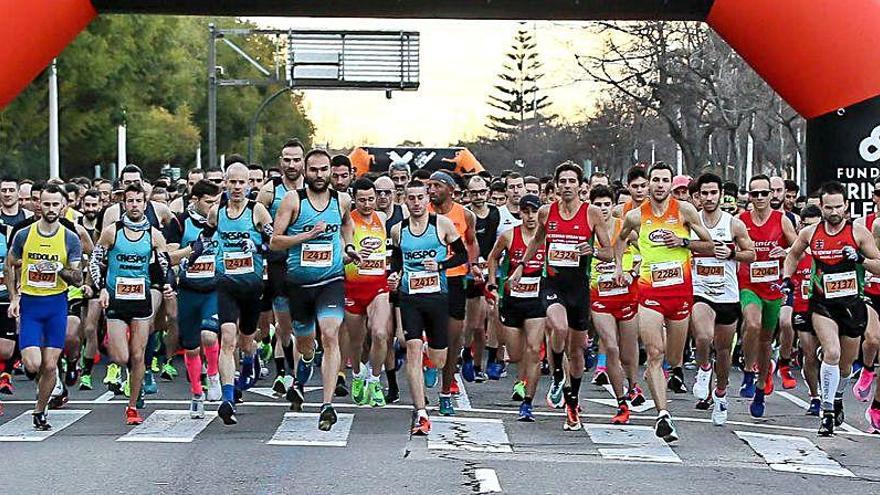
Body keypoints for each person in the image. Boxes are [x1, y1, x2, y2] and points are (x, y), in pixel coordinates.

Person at [510, 161, 613, 431]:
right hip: (552, 284)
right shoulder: (546, 212)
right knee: (558, 325)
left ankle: (572, 400)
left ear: (581, 186)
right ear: (556, 185)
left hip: (579, 288)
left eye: (572, 181)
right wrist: (522, 266)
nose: (567, 186)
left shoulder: (591, 213)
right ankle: (557, 374)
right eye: (563, 181)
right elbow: (536, 241)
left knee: (577, 351)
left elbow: (609, 252)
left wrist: (591, 251)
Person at [614, 163, 713, 442]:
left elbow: (709, 245)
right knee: (655, 353)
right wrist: (620, 267)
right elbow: (619, 240)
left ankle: (668, 375)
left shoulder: (685, 211)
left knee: (672, 358)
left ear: (671, 184)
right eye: (654, 180)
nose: (659, 185)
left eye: (664, 180)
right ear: (647, 185)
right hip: (649, 294)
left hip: (680, 295)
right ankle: (663, 415)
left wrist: (682, 241)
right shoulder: (635, 216)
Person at [270, 149, 358, 431]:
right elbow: (275, 241)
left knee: (331, 333)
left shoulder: (342, 200)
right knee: (305, 342)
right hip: (299, 285)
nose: (319, 175)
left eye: (324, 170)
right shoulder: (292, 200)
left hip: (331, 281)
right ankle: (306, 359)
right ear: (305, 171)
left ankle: (327, 405)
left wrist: (349, 247)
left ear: (331, 171)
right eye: (314, 170)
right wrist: (307, 236)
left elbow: (347, 225)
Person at [782, 181, 880, 435]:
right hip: (822, 305)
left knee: (845, 366)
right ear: (821, 207)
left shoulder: (858, 233)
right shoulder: (810, 233)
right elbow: (793, 255)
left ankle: (837, 397)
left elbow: (878, 264)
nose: (833, 212)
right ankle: (826, 412)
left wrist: (860, 259)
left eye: (838, 207)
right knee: (831, 353)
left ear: (846, 206)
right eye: (828, 207)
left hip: (851, 305)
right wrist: (785, 279)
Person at [388, 179, 467, 435]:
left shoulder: (441, 225)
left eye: (420, 197)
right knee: (412, 347)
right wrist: (395, 276)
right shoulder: (398, 230)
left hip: (437, 297)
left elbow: (462, 255)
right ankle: (421, 412)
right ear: (405, 201)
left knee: (438, 357)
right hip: (410, 298)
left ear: (427, 199)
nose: (416, 203)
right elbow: (397, 264)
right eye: (410, 198)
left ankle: (430, 362)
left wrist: (441, 266)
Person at [91, 184, 174, 425]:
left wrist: (167, 284)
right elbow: (95, 262)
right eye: (130, 201)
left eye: (139, 201)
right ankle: (130, 373)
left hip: (141, 301)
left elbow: (164, 265)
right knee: (120, 355)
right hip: (116, 299)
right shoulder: (111, 232)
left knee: (138, 355)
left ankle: (132, 406)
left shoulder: (154, 235)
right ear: (124, 204)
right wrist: (102, 288)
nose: (135, 205)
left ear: (146, 204)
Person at [5, 184, 83, 430]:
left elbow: (78, 277)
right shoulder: (24, 235)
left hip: (56, 305)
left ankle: (40, 410)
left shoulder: (69, 238)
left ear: (63, 206)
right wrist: (14, 297)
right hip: (30, 304)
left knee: (49, 365)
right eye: (46, 204)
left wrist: (60, 269)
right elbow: (9, 264)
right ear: (39, 205)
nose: (50, 208)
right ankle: (45, 394)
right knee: (32, 364)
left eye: (55, 204)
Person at [688, 173, 755, 425]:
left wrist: (732, 253)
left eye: (713, 193)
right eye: (704, 193)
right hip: (700, 290)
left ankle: (721, 393)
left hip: (727, 293)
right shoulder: (692, 222)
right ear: (698, 196)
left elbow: (751, 254)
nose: (708, 198)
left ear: (720, 194)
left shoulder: (733, 224)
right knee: (704, 336)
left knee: (724, 351)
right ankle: (704, 369)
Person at [215, 163, 274, 421]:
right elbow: (207, 237)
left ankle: (251, 360)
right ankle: (227, 399)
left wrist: (258, 245)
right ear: (225, 184)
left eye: (242, 183)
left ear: (250, 185)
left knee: (246, 341)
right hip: (226, 284)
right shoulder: (217, 212)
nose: (237, 187)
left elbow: (276, 243)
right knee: (228, 339)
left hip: (252, 286)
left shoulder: (257, 211)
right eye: (233, 182)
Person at [736, 174, 797, 418]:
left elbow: (799, 248)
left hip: (772, 288)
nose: (760, 198)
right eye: (755, 194)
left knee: (765, 340)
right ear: (749, 196)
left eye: (764, 193)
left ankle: (761, 387)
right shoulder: (740, 220)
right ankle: (748, 372)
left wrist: (785, 251)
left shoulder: (782, 221)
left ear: (772, 195)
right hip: (748, 284)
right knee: (752, 323)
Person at [427, 171, 480, 416]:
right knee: (418, 336)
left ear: (450, 190)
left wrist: (475, 265)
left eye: (437, 186)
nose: (432, 190)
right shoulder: (420, 211)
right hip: (425, 280)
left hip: (455, 279)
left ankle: (446, 391)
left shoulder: (465, 214)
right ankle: (428, 361)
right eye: (430, 186)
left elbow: (471, 242)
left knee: (453, 339)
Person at [587, 185, 641, 424]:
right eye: (597, 204)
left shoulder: (623, 228)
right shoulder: (588, 230)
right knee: (611, 347)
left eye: (606, 204)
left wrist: (633, 271)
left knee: (629, 352)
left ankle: (633, 385)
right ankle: (621, 403)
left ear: (612, 206)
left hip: (627, 295)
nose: (602, 209)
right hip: (599, 297)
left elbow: (647, 254)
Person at [257, 139, 305, 395]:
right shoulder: (269, 190)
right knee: (284, 327)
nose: (291, 165)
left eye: (296, 159)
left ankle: (296, 376)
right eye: (287, 160)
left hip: (308, 264)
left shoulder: (313, 189)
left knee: (303, 325)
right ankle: (286, 369)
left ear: (304, 162)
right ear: (280, 162)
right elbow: (254, 216)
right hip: (279, 264)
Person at [343, 177, 392, 407]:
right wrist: (355, 252)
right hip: (352, 286)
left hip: (378, 286)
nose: (367, 204)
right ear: (354, 199)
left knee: (380, 333)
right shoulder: (348, 221)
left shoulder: (381, 218)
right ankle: (357, 375)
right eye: (362, 200)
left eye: (371, 199)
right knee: (357, 342)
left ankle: (374, 379)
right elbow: (341, 255)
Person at [461, 175, 499, 383]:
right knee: (472, 322)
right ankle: (467, 353)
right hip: (469, 271)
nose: (478, 196)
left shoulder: (495, 213)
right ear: (468, 194)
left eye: (482, 192)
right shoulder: (464, 214)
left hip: (490, 270)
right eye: (474, 192)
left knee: (490, 314)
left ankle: (482, 363)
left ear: (488, 192)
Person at [789, 205, 822, 415]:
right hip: (802, 308)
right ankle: (815, 396)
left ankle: (830, 394)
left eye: (816, 225)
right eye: (807, 225)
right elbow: (787, 271)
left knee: (829, 353)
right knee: (809, 354)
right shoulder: (797, 251)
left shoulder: (828, 249)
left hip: (827, 309)